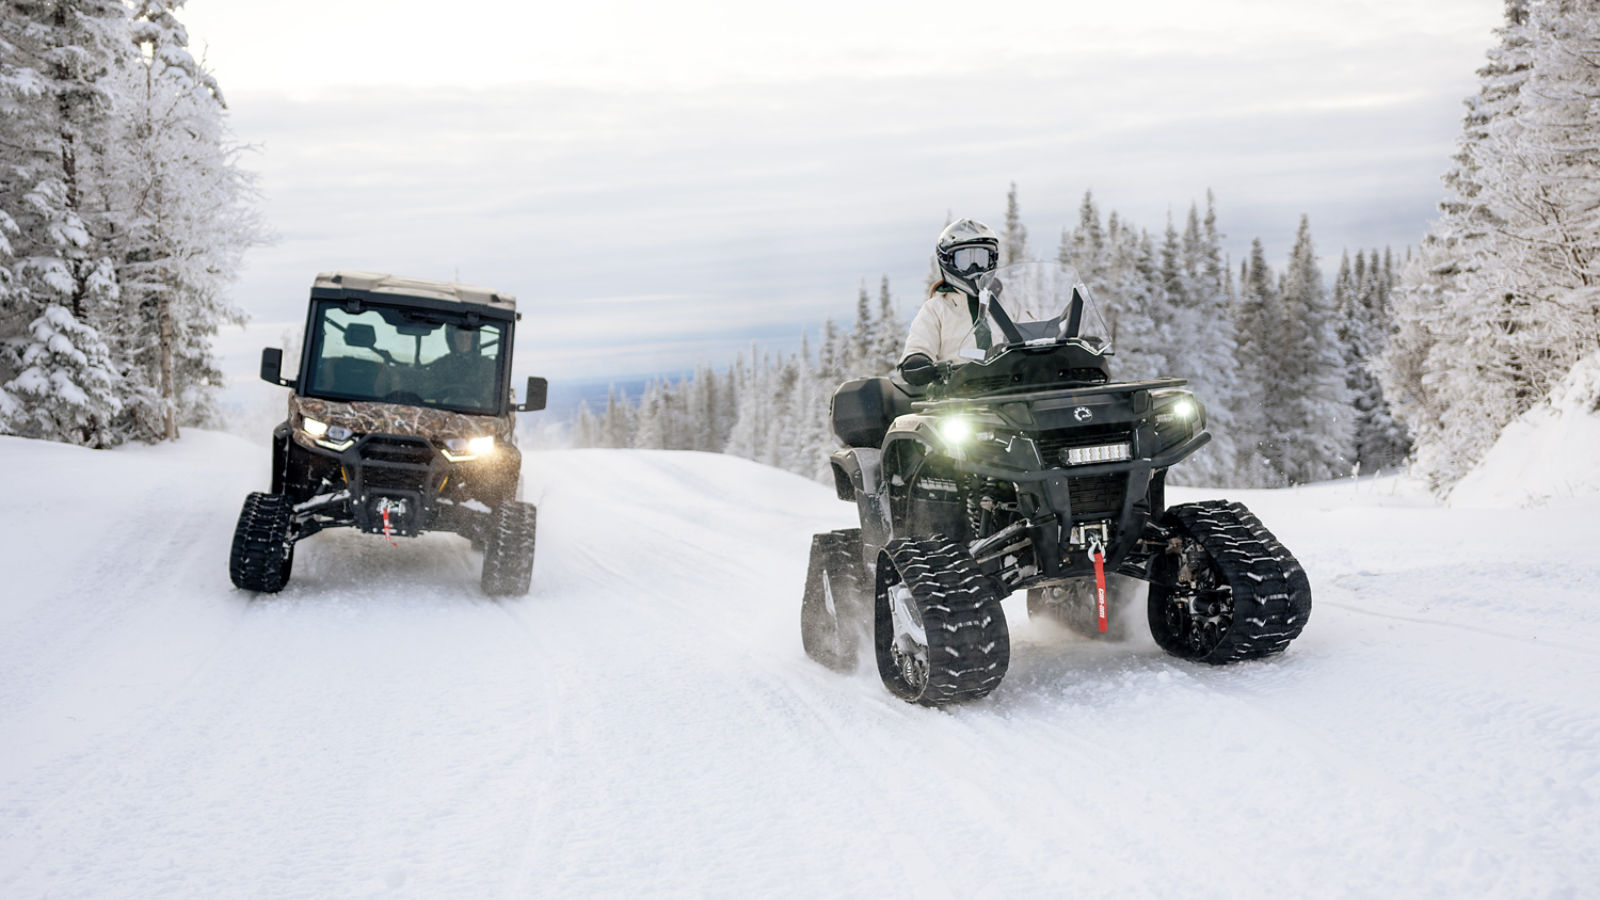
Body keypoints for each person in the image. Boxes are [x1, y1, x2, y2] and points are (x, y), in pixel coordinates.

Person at [898, 218, 1013, 386]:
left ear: (992, 259)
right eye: (965, 260)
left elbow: (1032, 334)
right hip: (956, 395)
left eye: (981, 258)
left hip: (1012, 389)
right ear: (948, 260)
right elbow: (919, 345)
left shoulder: (1009, 302)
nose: (974, 268)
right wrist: (917, 362)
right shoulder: (936, 309)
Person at [425, 324, 497, 405]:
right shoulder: (440, 365)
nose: (463, 340)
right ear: (452, 339)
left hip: (478, 414)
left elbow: (490, 397)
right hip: (443, 411)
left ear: (474, 339)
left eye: (467, 336)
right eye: (459, 336)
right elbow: (430, 392)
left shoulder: (488, 366)